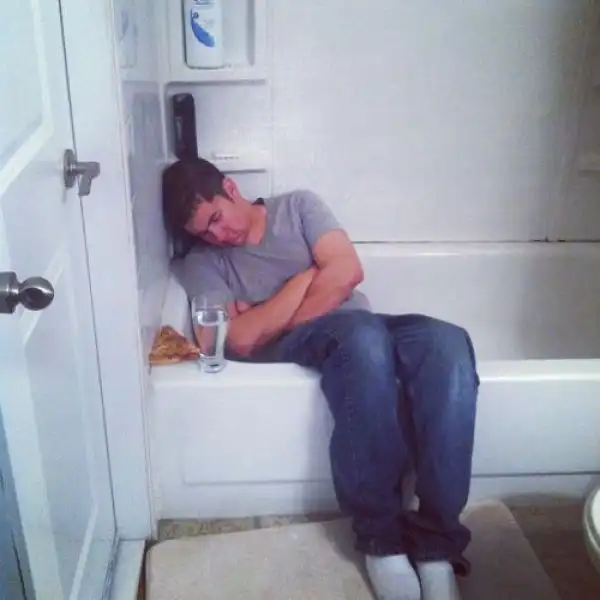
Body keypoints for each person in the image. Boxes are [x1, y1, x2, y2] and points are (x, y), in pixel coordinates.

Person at [162, 157, 479, 600]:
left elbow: (349, 271)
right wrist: (309, 276)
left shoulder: (298, 207)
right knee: (362, 336)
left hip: (364, 326)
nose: (217, 236)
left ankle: (436, 546)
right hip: (319, 341)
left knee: (446, 343)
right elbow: (237, 339)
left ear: (230, 189)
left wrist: (269, 313)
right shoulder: (202, 263)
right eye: (203, 232)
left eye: (215, 219)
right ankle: (381, 538)